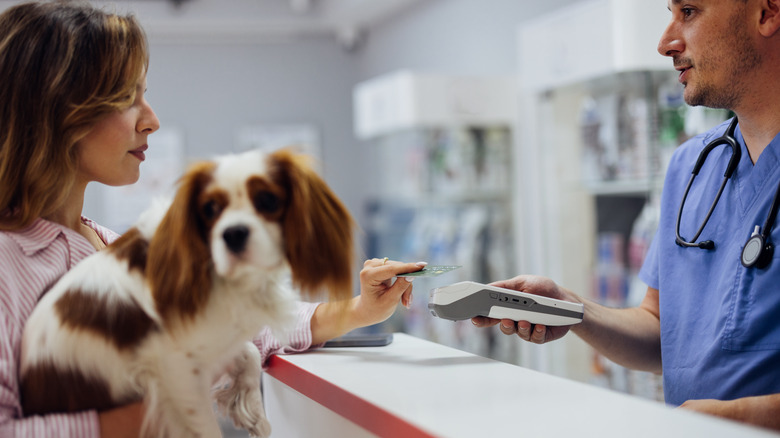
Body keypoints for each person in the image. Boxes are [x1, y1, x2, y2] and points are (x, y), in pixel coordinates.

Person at [0, 2, 422, 437]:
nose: (152, 121)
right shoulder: (7, 264)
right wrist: (162, 408)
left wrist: (358, 309)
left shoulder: (107, 243)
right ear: (57, 111)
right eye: (128, 98)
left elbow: (238, 324)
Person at [473, 0, 780, 431]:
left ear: (767, 12)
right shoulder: (691, 168)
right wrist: (571, 308)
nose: (665, 42)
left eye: (689, 11)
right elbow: (661, 332)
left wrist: (742, 419)